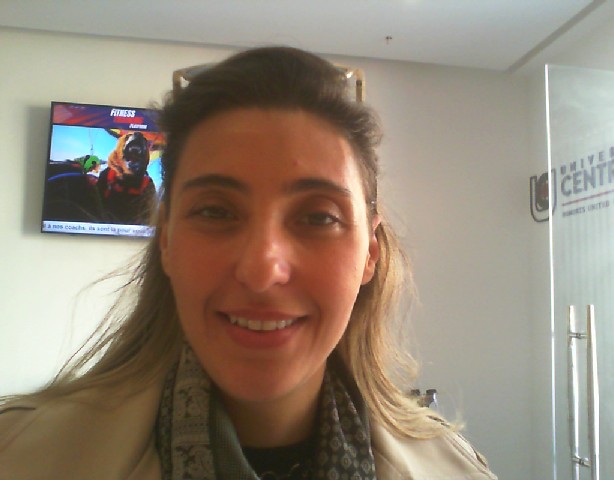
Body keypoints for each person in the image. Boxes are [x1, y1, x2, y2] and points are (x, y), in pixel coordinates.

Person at [0, 46, 496, 480]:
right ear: (166, 240)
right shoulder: (19, 458)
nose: (262, 271)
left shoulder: (456, 472)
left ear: (370, 252)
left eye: (318, 217)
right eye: (215, 212)